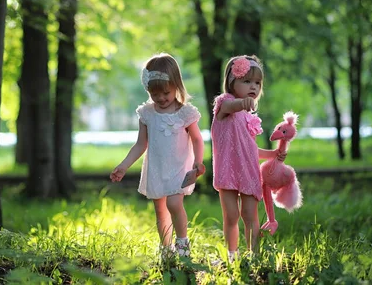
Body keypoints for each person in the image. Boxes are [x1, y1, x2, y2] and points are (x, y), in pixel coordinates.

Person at [110, 53, 206, 257]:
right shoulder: (147, 113)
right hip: (156, 168)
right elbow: (140, 144)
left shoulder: (184, 113)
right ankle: (166, 248)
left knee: (174, 204)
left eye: (166, 93)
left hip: (179, 167)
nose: (161, 98)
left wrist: (198, 162)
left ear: (176, 85)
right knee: (161, 210)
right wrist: (124, 165)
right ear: (148, 91)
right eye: (155, 94)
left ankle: (182, 245)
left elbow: (197, 139)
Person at [211, 54, 286, 261]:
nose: (253, 86)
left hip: (249, 172)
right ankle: (232, 254)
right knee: (232, 215)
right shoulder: (224, 104)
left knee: (250, 215)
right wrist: (242, 103)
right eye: (247, 81)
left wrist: (273, 154)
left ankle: (254, 256)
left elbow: (250, 148)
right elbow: (230, 107)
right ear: (231, 81)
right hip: (227, 171)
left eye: (257, 83)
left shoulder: (249, 116)